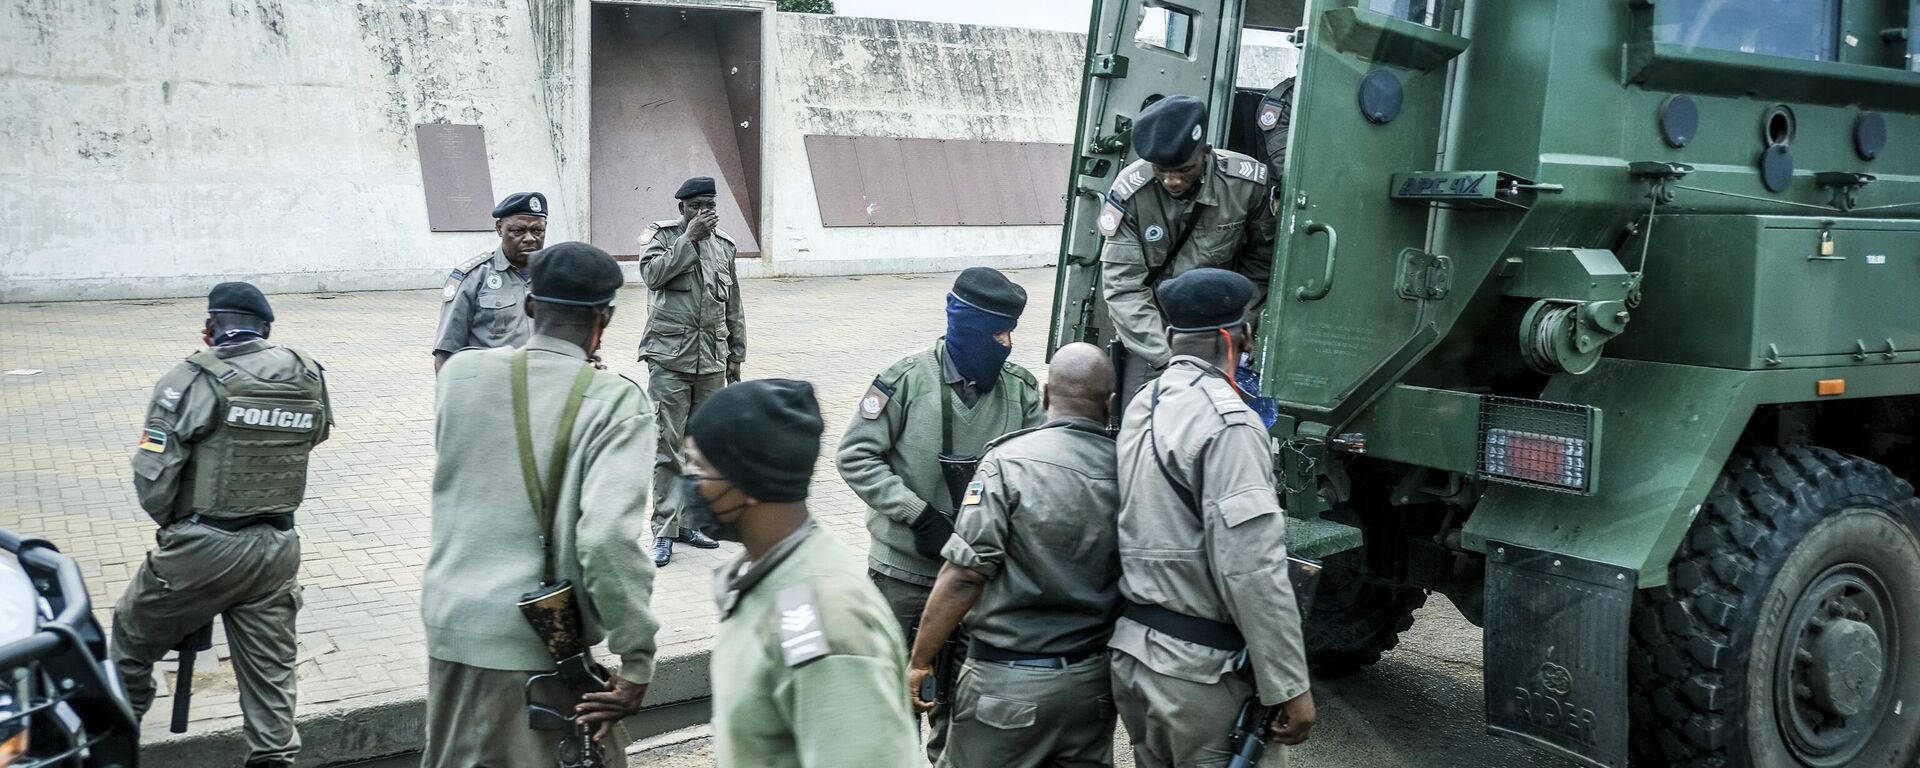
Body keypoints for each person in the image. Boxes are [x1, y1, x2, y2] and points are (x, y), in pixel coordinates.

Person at [420, 242, 659, 767]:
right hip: (536, 646)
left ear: (530, 307)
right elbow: (604, 540)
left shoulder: (461, 376)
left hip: (449, 627)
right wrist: (637, 657)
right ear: (607, 318)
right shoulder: (616, 401)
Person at [113, 282, 332, 768]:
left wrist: (178, 533)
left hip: (203, 544)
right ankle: (273, 757)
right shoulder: (307, 373)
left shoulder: (189, 378)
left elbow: (155, 474)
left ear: (209, 329)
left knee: (130, 640)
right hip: (277, 545)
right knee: (270, 673)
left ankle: (113, 743)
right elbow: (311, 437)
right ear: (267, 329)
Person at [836, 266, 1044, 762]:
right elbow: (855, 456)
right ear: (968, 327)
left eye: (1011, 331)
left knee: (966, 709)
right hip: (904, 574)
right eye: (998, 332)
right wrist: (917, 514)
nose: (1007, 344)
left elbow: (1039, 471)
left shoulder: (1021, 390)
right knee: (888, 699)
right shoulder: (904, 381)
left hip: (979, 580)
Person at [1111, 268, 1315, 767]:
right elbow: (1252, 567)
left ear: (1168, 338)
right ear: (1238, 337)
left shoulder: (1144, 403)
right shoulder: (1231, 423)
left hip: (1137, 657)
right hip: (1199, 673)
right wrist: (1290, 684)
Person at [909, 342, 1123, 768]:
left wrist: (919, 659)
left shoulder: (1007, 464)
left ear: (1045, 396)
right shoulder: (1129, 468)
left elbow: (965, 575)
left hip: (1007, 686)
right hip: (1092, 686)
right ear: (1111, 403)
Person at [688, 379, 921, 767]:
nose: (689, 483)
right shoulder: (768, 576)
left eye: (699, 467)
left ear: (747, 481)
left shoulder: (821, 619)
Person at [1097, 95, 1275, 413]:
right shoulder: (1132, 193)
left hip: (1222, 333)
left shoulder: (1245, 185)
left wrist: (1234, 329)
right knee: (1144, 424)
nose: (1172, 180)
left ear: (1206, 152)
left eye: (1184, 169)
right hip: (1155, 337)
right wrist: (1171, 359)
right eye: (1162, 171)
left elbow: (1263, 263)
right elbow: (1123, 288)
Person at [639, 176, 746, 567]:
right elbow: (652, 276)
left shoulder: (726, 247)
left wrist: (737, 352)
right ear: (681, 208)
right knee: (667, 446)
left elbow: (732, 302)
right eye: (697, 205)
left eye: (710, 204)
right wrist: (689, 239)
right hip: (669, 359)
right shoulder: (663, 238)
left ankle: (689, 523)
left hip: (712, 360)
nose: (705, 212)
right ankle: (664, 531)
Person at [432, 191, 549, 371]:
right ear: (499, 228)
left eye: (537, 230)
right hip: (492, 393)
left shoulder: (558, 276)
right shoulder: (472, 278)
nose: (529, 238)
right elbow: (446, 353)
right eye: (518, 231)